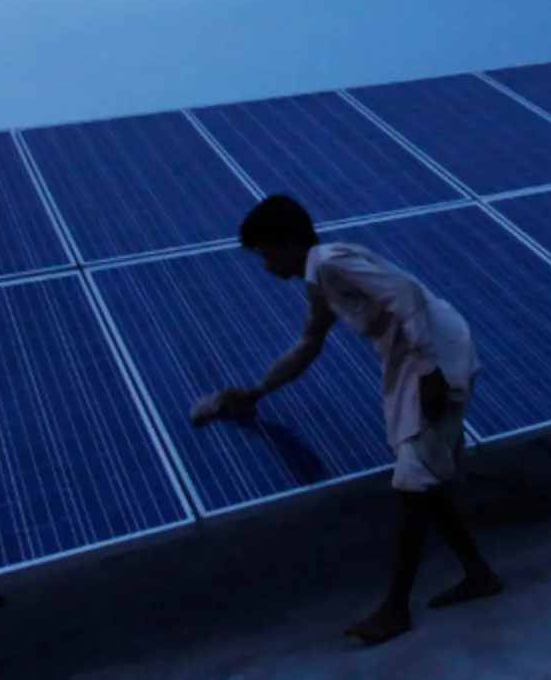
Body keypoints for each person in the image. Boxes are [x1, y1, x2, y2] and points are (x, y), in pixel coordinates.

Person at [191, 193, 503, 644]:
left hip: (431, 358)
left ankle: (395, 608)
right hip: (413, 360)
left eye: (268, 253)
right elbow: (307, 345)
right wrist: (257, 391)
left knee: (411, 481)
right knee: (425, 478)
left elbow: (407, 294)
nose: (266, 266)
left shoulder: (332, 262)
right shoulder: (321, 283)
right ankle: (478, 574)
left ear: (290, 243)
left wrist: (430, 369)